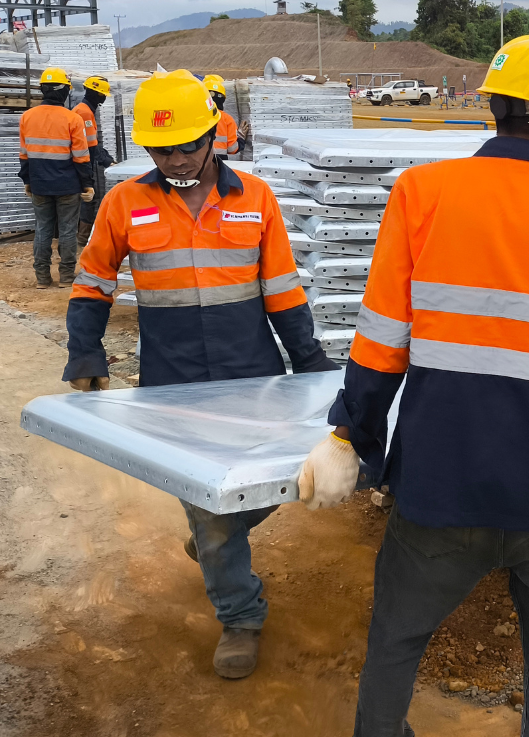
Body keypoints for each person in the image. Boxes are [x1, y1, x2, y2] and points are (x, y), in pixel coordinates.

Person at [297, 34, 529, 737]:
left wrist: (351, 435)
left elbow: (380, 341)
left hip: (440, 485)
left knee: (397, 639)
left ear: (498, 109)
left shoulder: (422, 193)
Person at [64, 69, 336, 679]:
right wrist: (85, 351)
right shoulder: (124, 202)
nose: (177, 160)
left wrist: (309, 361)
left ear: (214, 135)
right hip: (174, 380)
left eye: (187, 146)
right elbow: (93, 282)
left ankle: (217, 532)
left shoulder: (255, 198)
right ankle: (240, 615)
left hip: (253, 374)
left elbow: (283, 288)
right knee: (210, 510)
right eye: (162, 150)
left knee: (275, 482)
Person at [18, 67, 93, 288]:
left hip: (39, 183)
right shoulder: (73, 119)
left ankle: (42, 277)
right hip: (68, 185)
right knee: (68, 230)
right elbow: (81, 156)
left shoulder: (27, 117)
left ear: (43, 89)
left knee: (43, 229)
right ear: (65, 91)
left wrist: (27, 181)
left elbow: (24, 155)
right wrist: (87, 185)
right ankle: (67, 276)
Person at [74, 75, 116, 241]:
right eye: (102, 94)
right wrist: (106, 160)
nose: (104, 98)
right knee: (89, 197)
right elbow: (91, 146)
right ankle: (84, 237)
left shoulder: (85, 110)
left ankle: (84, 235)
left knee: (88, 197)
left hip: (82, 160)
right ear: (96, 94)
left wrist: (107, 157)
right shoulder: (84, 112)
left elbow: (93, 143)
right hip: (82, 162)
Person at [203, 74, 246, 159]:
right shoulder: (227, 119)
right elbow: (232, 149)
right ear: (222, 99)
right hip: (219, 161)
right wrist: (240, 137)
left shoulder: (196, 116)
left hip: (199, 160)